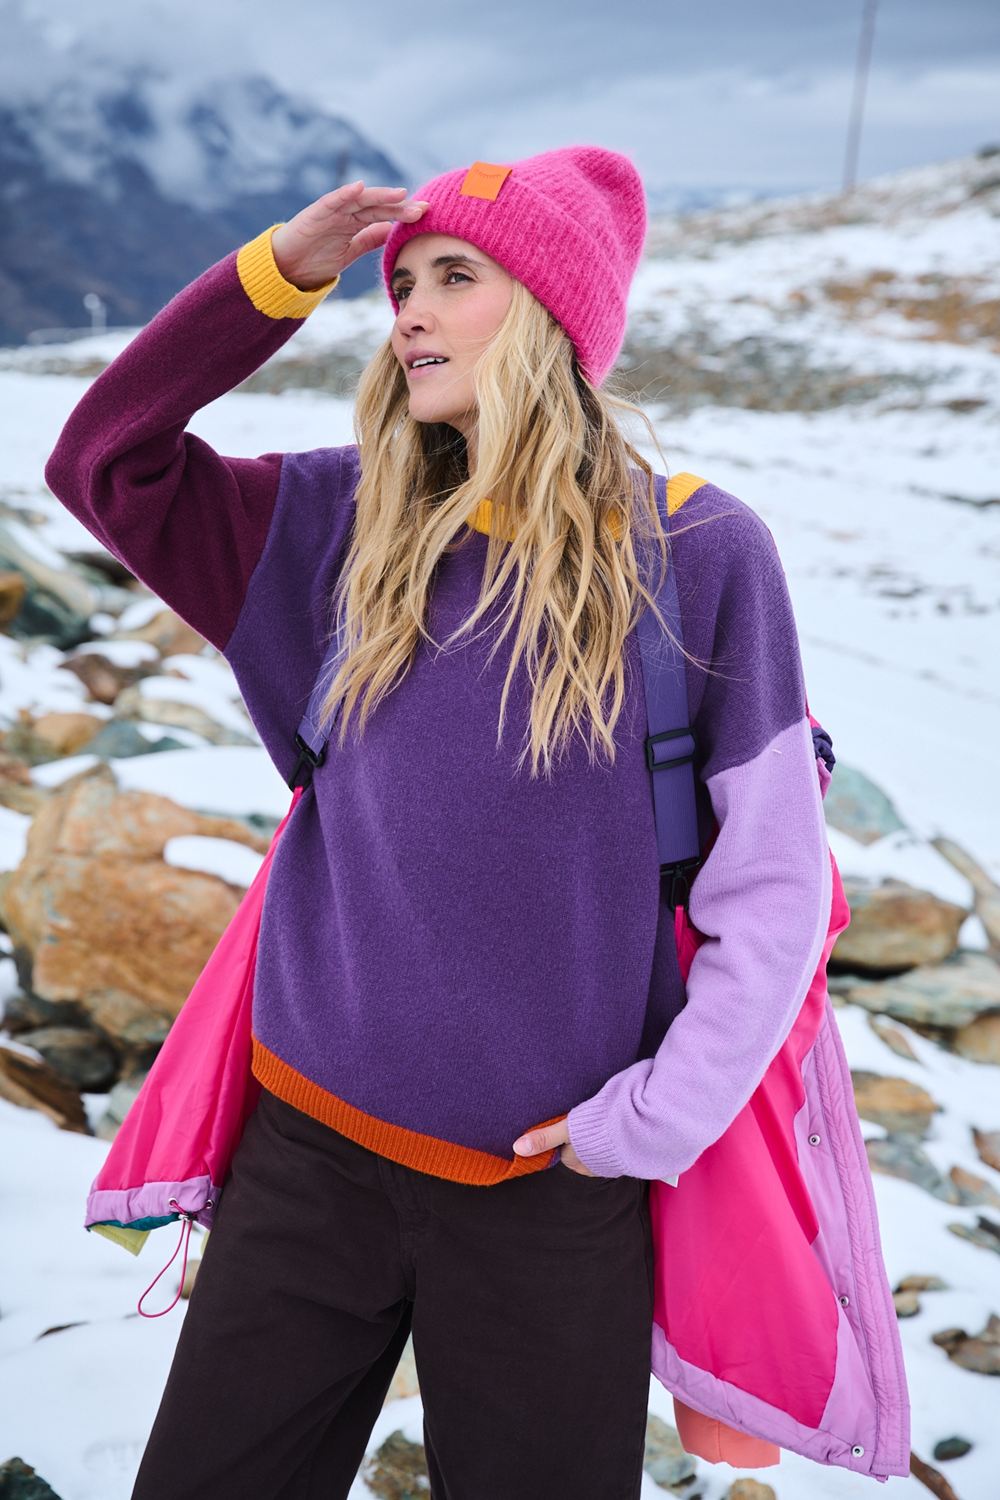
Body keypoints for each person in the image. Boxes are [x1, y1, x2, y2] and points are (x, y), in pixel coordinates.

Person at [43, 147, 830, 1498]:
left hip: (550, 1197)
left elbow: (773, 890)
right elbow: (105, 462)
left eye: (454, 277)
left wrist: (648, 1124)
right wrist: (276, 276)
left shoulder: (698, 560)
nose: (407, 310)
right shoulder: (336, 526)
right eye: (400, 284)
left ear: (551, 314)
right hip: (305, 1160)